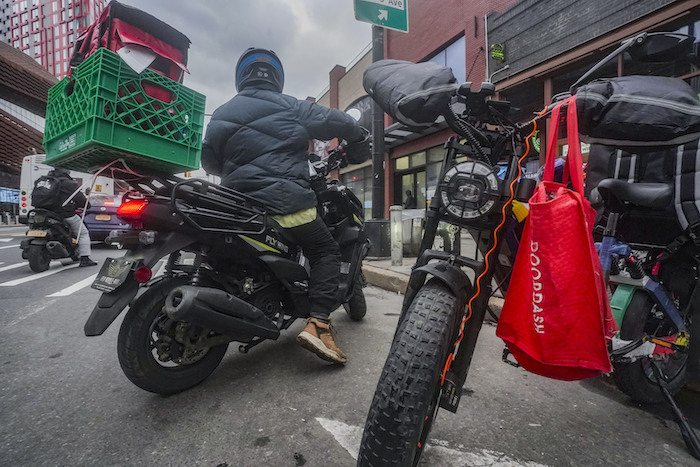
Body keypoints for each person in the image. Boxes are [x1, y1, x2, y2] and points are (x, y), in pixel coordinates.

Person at [201, 47, 370, 364]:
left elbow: (209, 161)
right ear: (276, 77)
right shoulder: (290, 106)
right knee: (325, 251)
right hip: (285, 200)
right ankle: (319, 324)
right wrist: (358, 134)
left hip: (237, 204)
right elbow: (337, 121)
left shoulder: (223, 112)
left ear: (241, 77)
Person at [38, 168, 97, 267]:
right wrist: (86, 205)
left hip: (42, 213)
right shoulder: (69, 184)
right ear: (67, 172)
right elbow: (81, 199)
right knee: (83, 233)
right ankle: (85, 259)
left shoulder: (43, 181)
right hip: (64, 214)